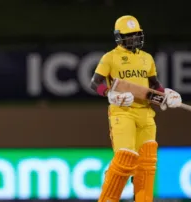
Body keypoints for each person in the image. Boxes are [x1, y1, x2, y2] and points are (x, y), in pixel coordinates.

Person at [90, 15, 182, 202]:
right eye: (129, 35)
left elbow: (154, 86)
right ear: (120, 37)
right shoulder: (110, 58)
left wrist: (167, 95)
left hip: (146, 114)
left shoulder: (147, 59)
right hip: (123, 113)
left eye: (136, 35)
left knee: (147, 163)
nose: (133, 39)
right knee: (125, 157)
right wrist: (110, 93)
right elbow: (95, 83)